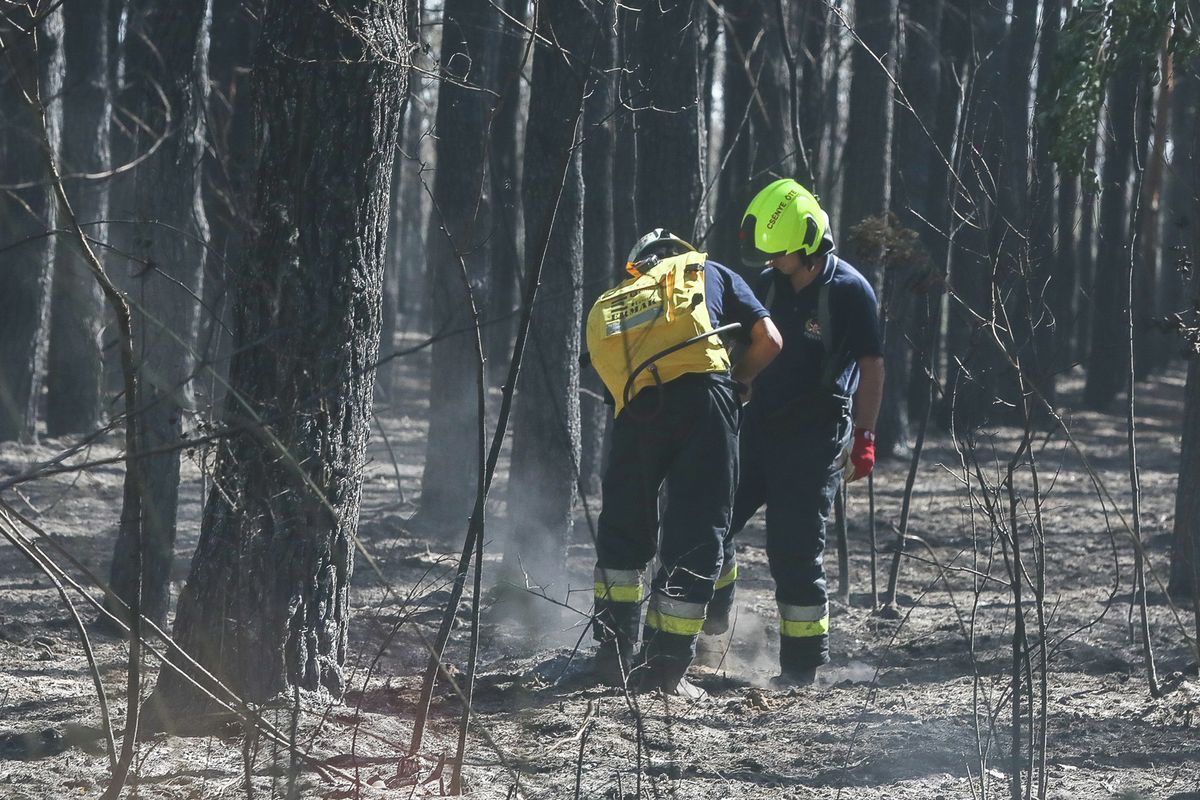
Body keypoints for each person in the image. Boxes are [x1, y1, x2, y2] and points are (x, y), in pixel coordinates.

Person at [586, 228, 782, 697]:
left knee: (624, 526)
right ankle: (664, 670)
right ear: (682, 256)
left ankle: (613, 653)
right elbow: (769, 339)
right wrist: (741, 379)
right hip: (704, 401)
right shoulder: (706, 271)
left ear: (639, 266)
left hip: (637, 407)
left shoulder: (623, 297)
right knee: (696, 528)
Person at [705, 179, 884, 687]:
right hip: (755, 428)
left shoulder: (850, 291)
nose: (773, 262)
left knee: (794, 547)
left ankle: (801, 668)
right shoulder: (763, 285)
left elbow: (872, 367)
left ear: (809, 246)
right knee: (710, 523)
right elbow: (736, 346)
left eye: (780, 254)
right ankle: (710, 629)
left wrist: (865, 438)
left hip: (815, 438)